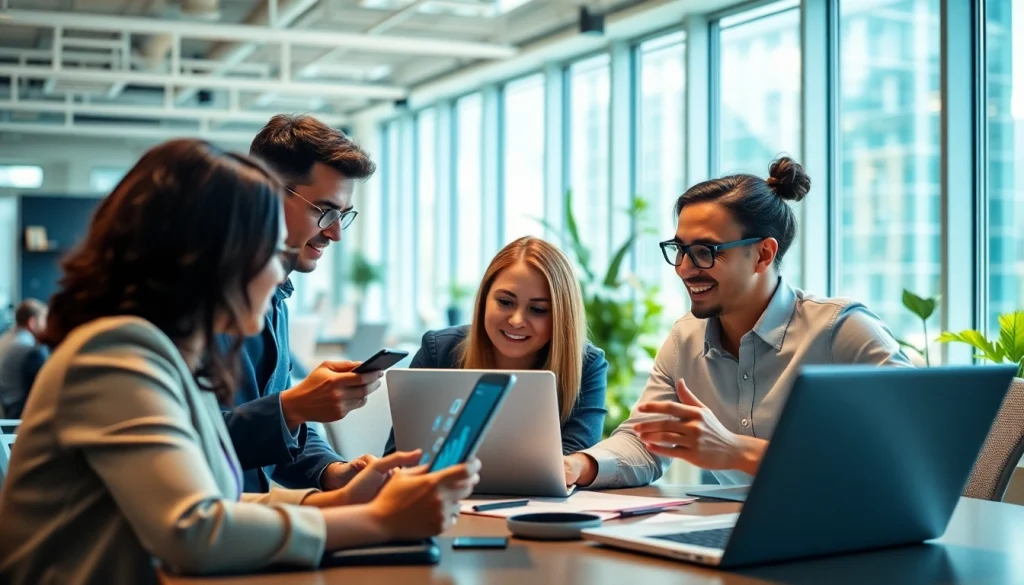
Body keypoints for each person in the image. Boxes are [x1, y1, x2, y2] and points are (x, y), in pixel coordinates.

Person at [0, 139, 479, 585]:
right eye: (270, 250)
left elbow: (216, 503)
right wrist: (378, 519)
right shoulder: (114, 356)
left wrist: (334, 500)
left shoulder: (167, 359)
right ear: (212, 258)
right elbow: (194, 530)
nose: (279, 272)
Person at [563, 157, 911, 490]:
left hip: (856, 534)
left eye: (706, 251)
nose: (684, 268)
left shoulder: (841, 331)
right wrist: (577, 466)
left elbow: (911, 453)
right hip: (740, 529)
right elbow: (643, 442)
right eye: (680, 250)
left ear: (763, 254)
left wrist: (735, 451)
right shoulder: (685, 338)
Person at [224, 114, 381, 493]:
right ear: (266, 194)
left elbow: (277, 427)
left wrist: (333, 472)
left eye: (343, 216)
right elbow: (189, 441)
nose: (335, 233)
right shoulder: (197, 301)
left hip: (246, 531)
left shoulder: (277, 296)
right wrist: (293, 406)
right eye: (324, 211)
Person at [386, 236, 608, 455]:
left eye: (538, 310)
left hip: (536, 493)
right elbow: (398, 455)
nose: (516, 320)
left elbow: (573, 460)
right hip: (439, 491)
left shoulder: (587, 365)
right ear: (484, 299)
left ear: (561, 317)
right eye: (505, 302)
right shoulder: (438, 350)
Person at [0, 299, 49, 418]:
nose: (45, 326)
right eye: (43, 320)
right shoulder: (29, 348)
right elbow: (44, 388)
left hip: (6, 407)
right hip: (18, 412)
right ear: (32, 322)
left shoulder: (5, 339)